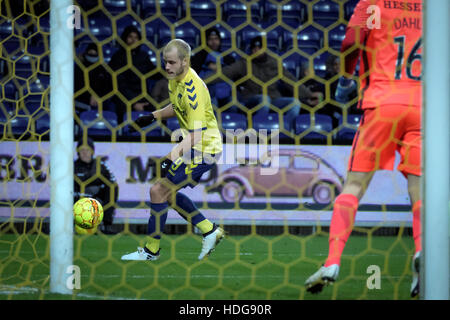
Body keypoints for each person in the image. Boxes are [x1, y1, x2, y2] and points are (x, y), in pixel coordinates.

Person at [305, 0, 423, 298]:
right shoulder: (433, 8)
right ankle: (423, 253)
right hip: (422, 106)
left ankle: (332, 262)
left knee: (354, 187)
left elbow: (350, 43)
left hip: (382, 103)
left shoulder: (372, 4)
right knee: (420, 192)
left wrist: (346, 77)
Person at [121, 39, 225, 261]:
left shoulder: (193, 88)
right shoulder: (176, 79)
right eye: (165, 62)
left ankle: (152, 250)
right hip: (194, 146)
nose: (166, 67)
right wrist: (153, 116)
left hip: (204, 148)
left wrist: (169, 157)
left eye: (171, 62)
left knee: (158, 191)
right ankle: (209, 229)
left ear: (184, 62)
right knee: (166, 193)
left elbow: (196, 134)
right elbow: (177, 105)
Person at [217, 36, 315, 129]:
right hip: (252, 99)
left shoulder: (274, 63)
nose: (257, 51)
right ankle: (259, 130)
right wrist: (203, 81)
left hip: (273, 100)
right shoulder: (244, 63)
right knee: (264, 99)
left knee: (295, 103)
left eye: (260, 48)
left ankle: (285, 131)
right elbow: (226, 72)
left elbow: (291, 81)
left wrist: (309, 94)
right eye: (254, 48)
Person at [108, 25, 159, 123]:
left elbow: (153, 73)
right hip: (123, 96)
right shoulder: (118, 57)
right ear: (125, 38)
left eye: (136, 38)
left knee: (157, 111)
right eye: (130, 37)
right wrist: (134, 103)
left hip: (142, 94)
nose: (133, 40)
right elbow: (119, 84)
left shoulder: (143, 56)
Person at [74, 137, 119, 234]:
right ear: (78, 152)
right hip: (78, 200)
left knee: (112, 187)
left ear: (92, 151)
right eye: (82, 150)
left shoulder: (100, 165)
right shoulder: (72, 166)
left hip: (96, 200)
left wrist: (97, 189)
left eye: (87, 150)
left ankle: (107, 225)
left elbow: (112, 181)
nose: (85, 153)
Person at [191, 26, 235, 107]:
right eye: (210, 39)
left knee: (233, 104)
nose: (214, 42)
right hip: (207, 95)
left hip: (225, 94)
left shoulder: (227, 58)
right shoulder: (198, 58)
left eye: (216, 39)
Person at [74, 42, 113, 114]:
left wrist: (98, 96)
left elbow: (109, 86)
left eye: (95, 53)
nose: (92, 55)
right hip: (82, 101)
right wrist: (89, 97)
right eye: (90, 53)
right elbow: (77, 87)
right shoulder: (79, 68)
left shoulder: (103, 69)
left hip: (101, 101)